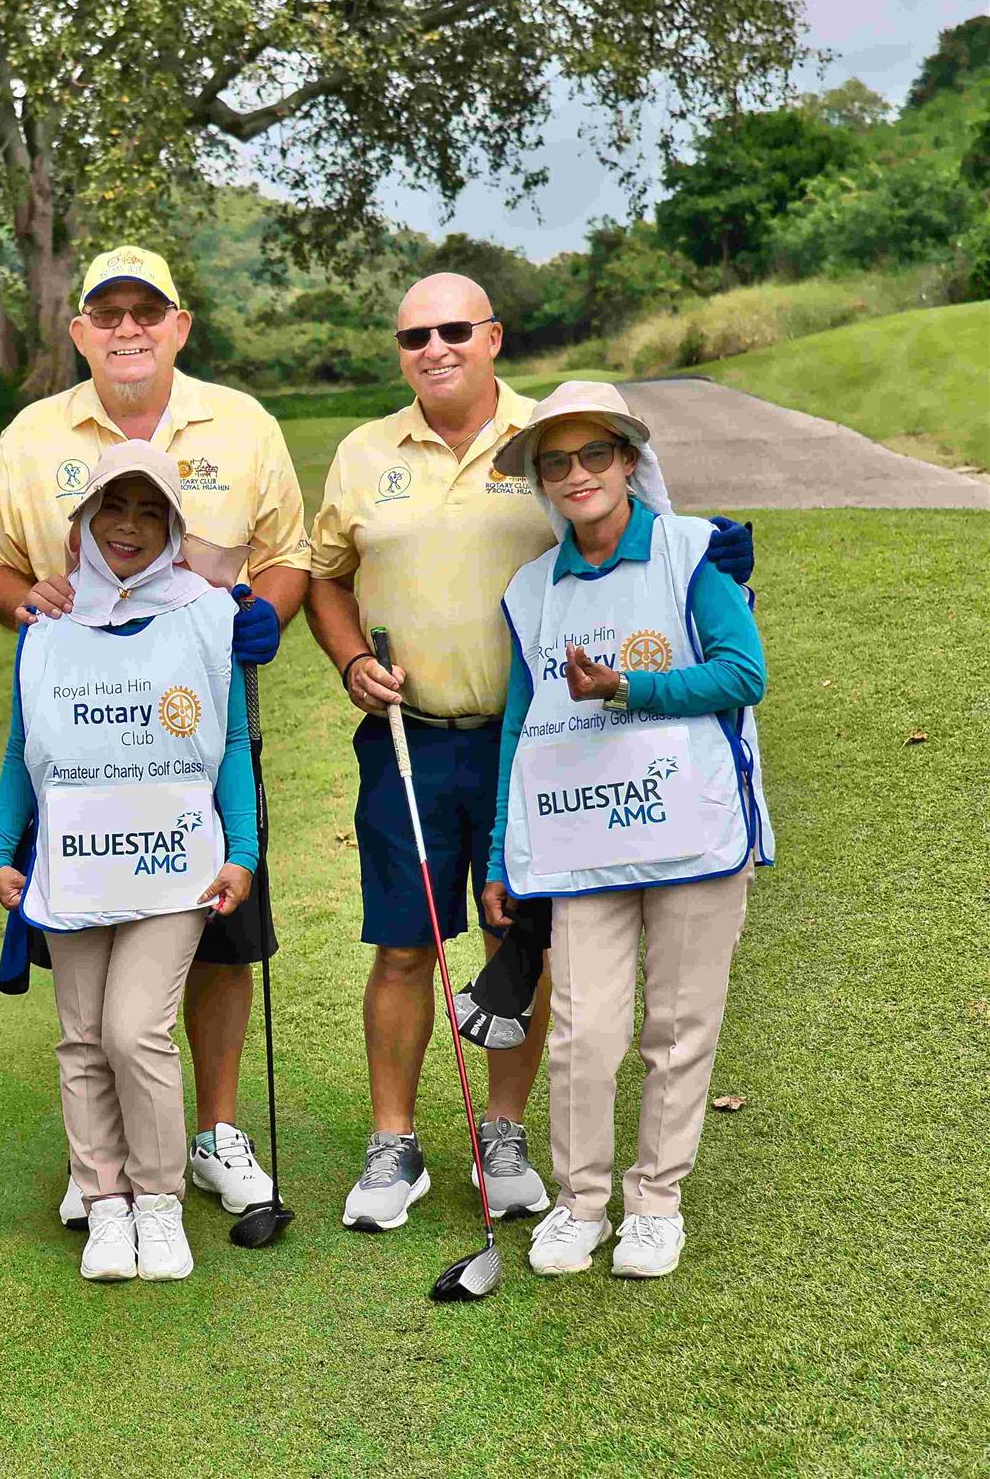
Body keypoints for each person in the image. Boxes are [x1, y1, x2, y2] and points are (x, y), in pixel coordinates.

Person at [305, 273, 756, 1234]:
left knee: (519, 939)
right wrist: (349, 658)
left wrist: (710, 569)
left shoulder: (548, 435)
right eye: (414, 335)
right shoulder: (360, 453)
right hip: (410, 735)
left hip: (550, 750)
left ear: (493, 336)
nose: (434, 348)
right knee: (403, 945)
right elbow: (325, 577)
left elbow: (639, 559)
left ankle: (501, 1134)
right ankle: (393, 1144)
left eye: (453, 329)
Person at [0, 245, 308, 1228]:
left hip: (197, 734)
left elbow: (288, 554)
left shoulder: (241, 423)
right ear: (78, 330)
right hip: (80, 744)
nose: (127, 328)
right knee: (93, 945)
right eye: (106, 313)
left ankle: (214, 1132)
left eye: (145, 311)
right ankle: (104, 1160)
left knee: (217, 933)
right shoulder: (32, 434)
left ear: (178, 325)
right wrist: (25, 603)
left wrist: (266, 613)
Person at [479, 382, 772, 1280]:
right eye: (555, 462)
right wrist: (500, 854)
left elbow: (742, 673)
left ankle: (653, 1205)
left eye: (594, 455)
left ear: (628, 462)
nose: (577, 475)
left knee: (678, 1029)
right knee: (582, 1034)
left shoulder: (692, 551)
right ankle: (579, 1204)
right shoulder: (530, 589)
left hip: (692, 830)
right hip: (580, 842)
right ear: (539, 479)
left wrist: (626, 688)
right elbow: (520, 726)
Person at [0, 441, 259, 1282]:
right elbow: (22, 747)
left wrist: (243, 852)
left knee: (134, 1030)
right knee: (80, 1038)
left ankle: (158, 1202)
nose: (128, 526)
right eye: (112, 507)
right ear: (83, 521)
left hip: (176, 861)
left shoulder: (208, 614)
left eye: (148, 511)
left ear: (172, 526)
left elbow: (230, 743)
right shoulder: (47, 625)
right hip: (75, 858)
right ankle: (105, 1205)